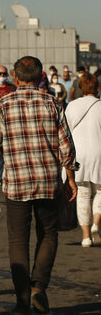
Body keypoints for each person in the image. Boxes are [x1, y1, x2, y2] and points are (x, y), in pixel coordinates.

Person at [0, 56, 78, 315]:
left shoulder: (4, 104)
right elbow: (66, 147)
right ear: (41, 76)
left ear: (15, 76)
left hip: (16, 184)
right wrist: (70, 178)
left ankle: (22, 301)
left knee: (18, 241)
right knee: (48, 233)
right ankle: (38, 286)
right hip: (48, 182)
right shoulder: (52, 103)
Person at [62, 73, 101, 247]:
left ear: (80, 88)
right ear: (97, 87)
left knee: (82, 194)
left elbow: (65, 132)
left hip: (78, 154)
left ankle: (86, 237)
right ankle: (96, 225)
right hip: (99, 152)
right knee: (100, 192)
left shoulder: (72, 106)